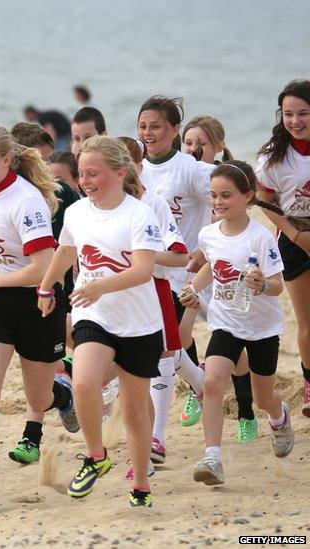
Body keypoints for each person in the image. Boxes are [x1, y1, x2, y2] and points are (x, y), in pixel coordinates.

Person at [0, 123, 76, 517]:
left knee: (38, 398)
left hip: (37, 307)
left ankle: (62, 394)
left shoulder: (27, 202)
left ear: (6, 159)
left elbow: (44, 268)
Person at [38, 136, 164, 508]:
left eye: (94, 173)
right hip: (95, 316)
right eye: (82, 174)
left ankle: (140, 484)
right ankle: (96, 456)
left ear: (120, 173)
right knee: (84, 381)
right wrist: (46, 287)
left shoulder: (139, 214)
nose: (86, 181)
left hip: (139, 323)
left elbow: (144, 270)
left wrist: (100, 286)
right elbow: (66, 251)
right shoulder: (77, 212)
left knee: (136, 409)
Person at [182, 160, 295, 485]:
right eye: (214, 196)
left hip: (262, 328)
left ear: (248, 196)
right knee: (213, 382)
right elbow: (211, 266)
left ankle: (279, 416)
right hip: (226, 323)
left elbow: (277, 285)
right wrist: (193, 288)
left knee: (263, 398)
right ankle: (213, 457)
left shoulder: (260, 238)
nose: (217, 202)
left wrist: (260, 284)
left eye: (226, 196)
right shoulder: (208, 234)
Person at [0, 123, 80, 469]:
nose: (43, 171)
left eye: (46, 162)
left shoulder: (62, 194)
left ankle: (37, 428)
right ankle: (59, 395)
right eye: (38, 162)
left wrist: (69, 292)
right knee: (37, 372)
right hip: (12, 297)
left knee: (58, 360)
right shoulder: (4, 196)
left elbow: (75, 247)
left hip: (58, 293)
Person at [137, 96, 211, 445]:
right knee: (166, 346)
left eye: (155, 126)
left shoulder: (190, 169)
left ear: (174, 129)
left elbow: (230, 200)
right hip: (147, 274)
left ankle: (157, 436)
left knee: (167, 347)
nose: (148, 133)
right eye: (143, 126)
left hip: (185, 273)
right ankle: (200, 383)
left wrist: (204, 250)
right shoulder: (133, 167)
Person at [255, 79, 310, 418]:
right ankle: (309, 386)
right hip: (293, 238)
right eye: (288, 114)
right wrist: (295, 235)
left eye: (303, 113)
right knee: (306, 322)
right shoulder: (273, 157)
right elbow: (265, 201)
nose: (295, 121)